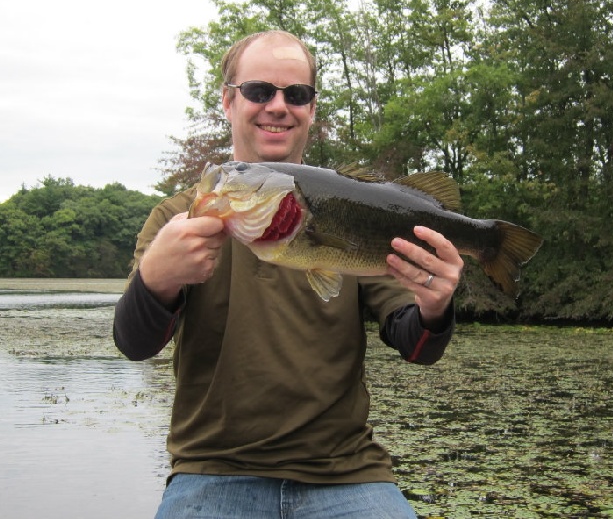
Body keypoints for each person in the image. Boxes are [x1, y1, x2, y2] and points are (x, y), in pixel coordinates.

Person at [114, 30, 464, 518]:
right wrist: (156, 279)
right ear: (228, 100)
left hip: (347, 473)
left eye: (295, 94)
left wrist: (435, 306)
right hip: (212, 470)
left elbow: (415, 345)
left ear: (311, 109)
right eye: (260, 91)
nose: (278, 106)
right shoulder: (178, 219)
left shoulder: (355, 209)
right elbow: (134, 344)